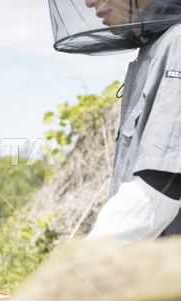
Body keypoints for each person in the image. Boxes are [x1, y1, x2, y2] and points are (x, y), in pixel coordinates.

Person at [47, 0, 181, 243]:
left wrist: (79, 268)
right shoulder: (155, 48)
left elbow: (161, 186)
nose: (88, 3)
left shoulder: (178, 43)